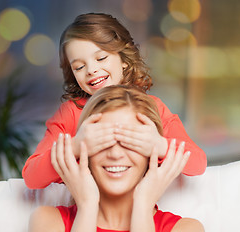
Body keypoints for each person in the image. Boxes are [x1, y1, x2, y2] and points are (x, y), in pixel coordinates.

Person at [22, 12, 207, 189]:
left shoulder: (152, 107)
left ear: (124, 59)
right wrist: (76, 147)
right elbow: (31, 177)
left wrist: (159, 145)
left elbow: (198, 163)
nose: (91, 70)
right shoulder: (71, 112)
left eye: (101, 58)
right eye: (79, 67)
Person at [28, 85, 205, 232]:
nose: (115, 154)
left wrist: (143, 207)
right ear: (85, 152)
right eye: (103, 141)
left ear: (152, 153)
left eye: (130, 142)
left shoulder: (186, 228)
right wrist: (87, 206)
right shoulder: (48, 221)